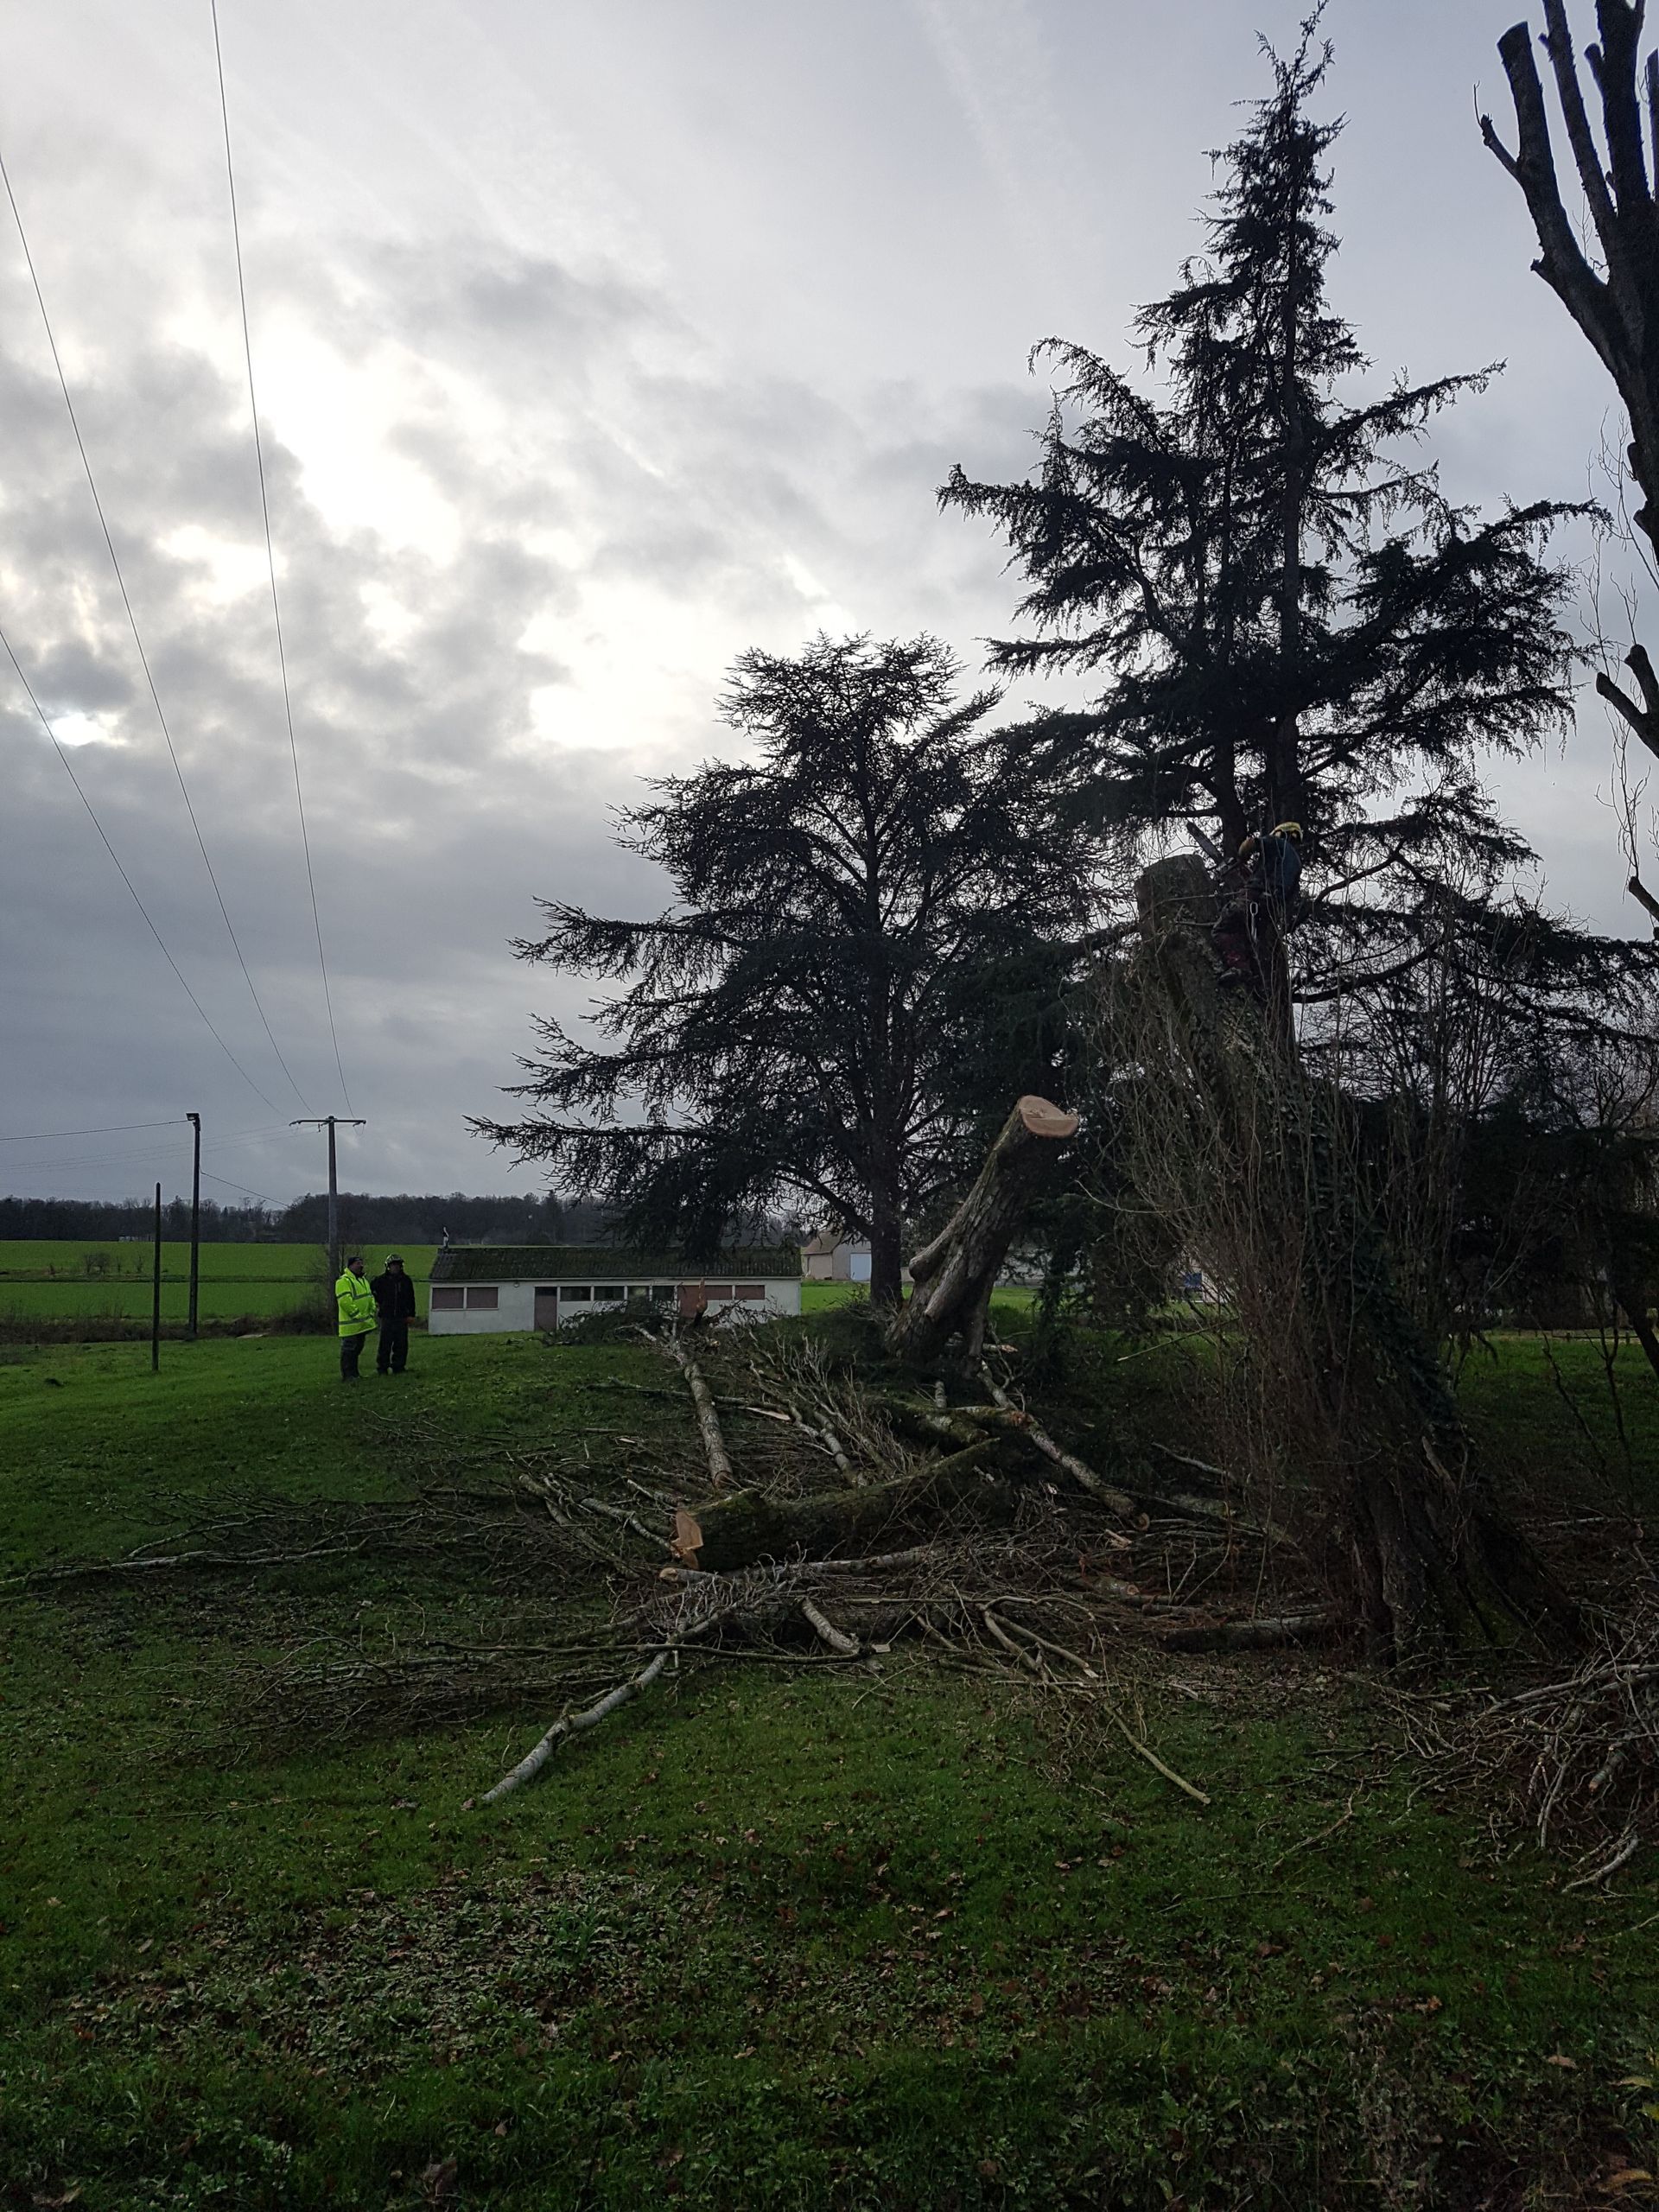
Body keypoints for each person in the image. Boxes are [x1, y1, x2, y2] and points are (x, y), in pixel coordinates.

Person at [371, 1252, 417, 1376]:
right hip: (387, 1317)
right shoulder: (381, 1280)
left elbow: (411, 1299)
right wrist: (379, 1303)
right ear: (388, 1266)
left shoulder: (406, 1281)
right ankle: (382, 1368)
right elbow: (371, 1291)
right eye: (393, 1265)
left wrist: (411, 1314)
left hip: (402, 1317)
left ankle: (399, 1366)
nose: (395, 1267)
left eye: (398, 1265)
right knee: (385, 1344)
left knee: (401, 1344)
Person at [335, 1253, 376, 1382]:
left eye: (361, 1263)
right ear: (350, 1266)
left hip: (362, 1324)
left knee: (356, 1350)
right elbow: (345, 1301)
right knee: (348, 1351)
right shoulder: (344, 1281)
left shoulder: (363, 1280)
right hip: (350, 1325)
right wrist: (356, 1314)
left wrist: (371, 1311)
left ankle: (355, 1374)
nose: (361, 1266)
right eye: (358, 1263)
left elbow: (370, 1297)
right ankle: (348, 1375)